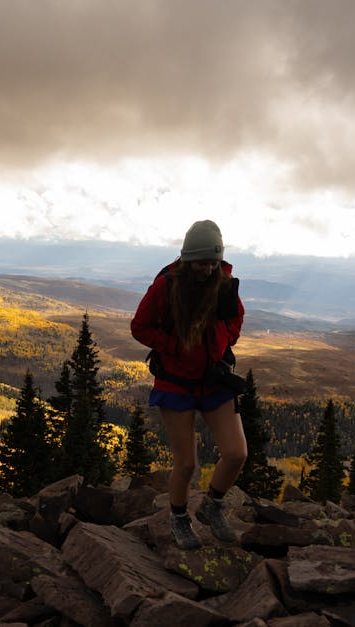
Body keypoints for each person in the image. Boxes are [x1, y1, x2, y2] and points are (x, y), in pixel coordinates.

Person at [130, 219, 248, 550]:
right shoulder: (167, 286)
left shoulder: (224, 283)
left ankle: (212, 506)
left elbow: (236, 316)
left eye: (212, 261)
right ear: (187, 259)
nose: (207, 268)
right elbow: (139, 327)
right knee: (186, 464)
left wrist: (227, 342)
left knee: (236, 453)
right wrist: (175, 347)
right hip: (175, 383)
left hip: (215, 379)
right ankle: (180, 519)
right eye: (201, 262)